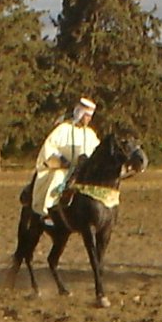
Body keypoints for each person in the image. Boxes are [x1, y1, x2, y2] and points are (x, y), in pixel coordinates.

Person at [31, 97, 100, 227]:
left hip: (83, 170)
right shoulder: (63, 129)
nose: (88, 119)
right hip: (64, 169)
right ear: (80, 114)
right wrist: (63, 162)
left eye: (90, 116)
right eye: (86, 116)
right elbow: (50, 148)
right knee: (58, 177)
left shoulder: (90, 134)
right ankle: (48, 212)